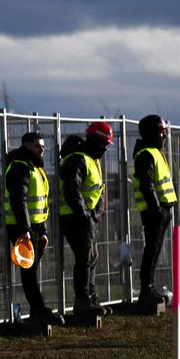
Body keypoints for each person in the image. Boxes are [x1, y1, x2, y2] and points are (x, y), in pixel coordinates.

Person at [1, 131, 63, 325]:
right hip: (22, 227)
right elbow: (18, 199)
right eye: (37, 145)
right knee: (29, 270)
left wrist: (42, 230)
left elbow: (40, 203)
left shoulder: (34, 167)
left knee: (32, 269)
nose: (42, 149)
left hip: (34, 227)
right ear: (26, 146)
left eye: (43, 146)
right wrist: (25, 229)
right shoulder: (20, 166)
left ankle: (39, 309)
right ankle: (39, 309)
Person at [59, 121, 113, 315]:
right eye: (104, 144)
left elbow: (99, 190)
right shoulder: (78, 159)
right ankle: (83, 301)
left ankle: (90, 297)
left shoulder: (91, 160)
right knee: (84, 258)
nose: (105, 149)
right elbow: (72, 190)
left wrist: (95, 214)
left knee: (91, 257)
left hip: (87, 217)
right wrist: (85, 215)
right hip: (75, 217)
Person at [132, 114, 176, 306]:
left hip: (161, 209)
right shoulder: (146, 154)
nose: (164, 135)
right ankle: (146, 290)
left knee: (155, 250)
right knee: (152, 250)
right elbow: (146, 184)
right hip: (154, 211)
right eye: (161, 131)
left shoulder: (154, 152)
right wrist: (156, 208)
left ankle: (149, 289)